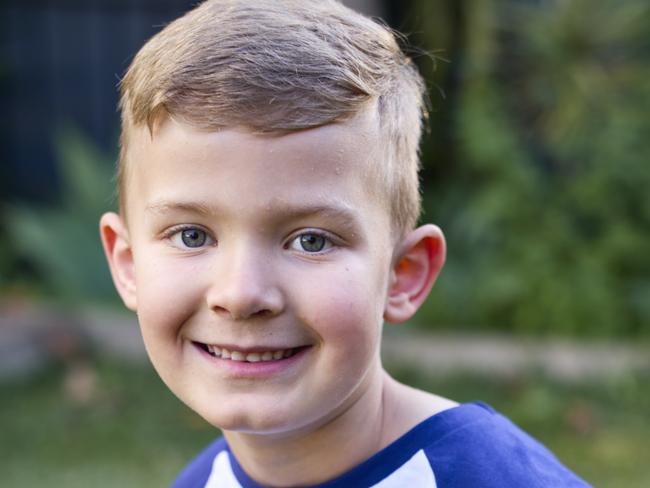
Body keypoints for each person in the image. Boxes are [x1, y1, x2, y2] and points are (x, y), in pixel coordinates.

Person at [99, 1, 591, 486]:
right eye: (192, 235)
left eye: (310, 241)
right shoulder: (202, 480)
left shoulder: (496, 477)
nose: (242, 293)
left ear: (404, 273)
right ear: (128, 264)